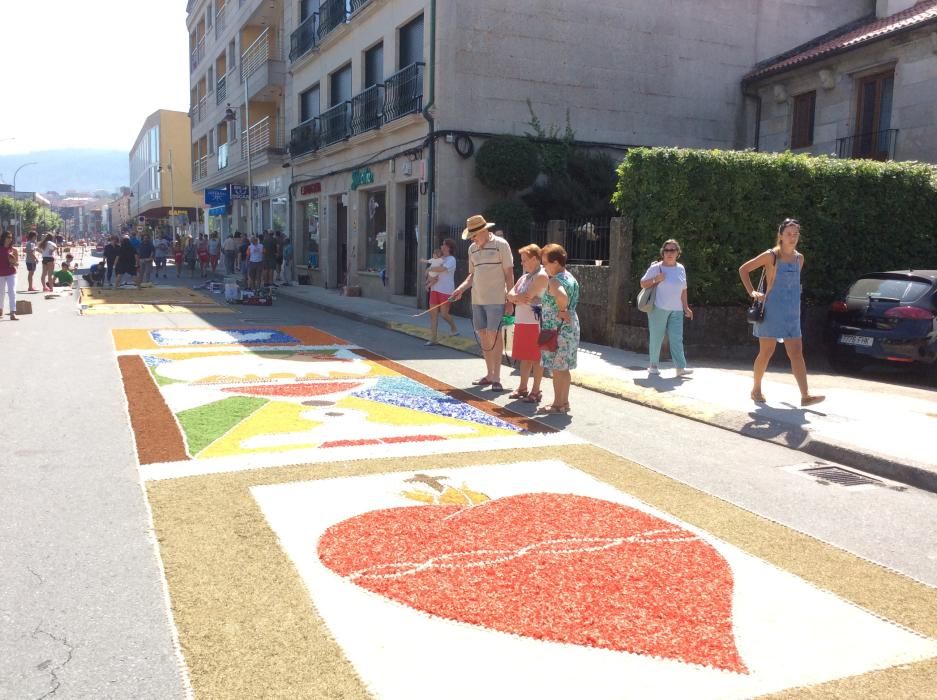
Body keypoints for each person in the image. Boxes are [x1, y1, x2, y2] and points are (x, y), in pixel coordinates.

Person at [739, 218, 824, 407]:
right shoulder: (771, 256)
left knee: (796, 352)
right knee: (766, 352)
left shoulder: (799, 258)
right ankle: (756, 388)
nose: (793, 237)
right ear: (781, 236)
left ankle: (805, 395)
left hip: (792, 312)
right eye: (789, 234)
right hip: (772, 310)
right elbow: (744, 269)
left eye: (796, 234)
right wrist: (752, 291)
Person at [449, 216, 515, 391]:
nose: (472, 239)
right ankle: (489, 374)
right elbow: (472, 275)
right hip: (477, 299)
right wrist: (460, 289)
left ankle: (497, 377)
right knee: (484, 336)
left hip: (496, 299)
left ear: (483, 231)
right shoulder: (472, 249)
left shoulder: (501, 244)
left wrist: (510, 298)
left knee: (495, 335)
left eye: (474, 235)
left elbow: (509, 273)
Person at [640, 239, 694, 377]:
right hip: (659, 308)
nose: (669, 253)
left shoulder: (681, 268)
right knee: (656, 337)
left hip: (676, 310)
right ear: (663, 253)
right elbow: (642, 284)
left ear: (678, 253)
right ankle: (653, 365)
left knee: (677, 338)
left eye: (672, 250)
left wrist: (686, 307)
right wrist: (655, 280)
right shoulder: (656, 268)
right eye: (667, 250)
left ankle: (680, 368)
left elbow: (684, 289)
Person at [539, 243, 580, 414]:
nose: (544, 267)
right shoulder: (570, 277)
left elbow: (561, 296)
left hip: (557, 329)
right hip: (570, 326)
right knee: (565, 368)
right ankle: (564, 402)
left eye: (545, 263)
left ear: (555, 262)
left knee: (557, 368)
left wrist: (561, 310)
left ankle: (557, 404)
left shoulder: (555, 281)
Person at [507, 243, 549, 403]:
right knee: (525, 356)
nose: (522, 263)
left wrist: (515, 297)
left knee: (536, 358)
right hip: (523, 321)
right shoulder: (525, 276)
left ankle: (536, 390)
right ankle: (523, 387)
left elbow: (527, 296)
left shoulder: (541, 276)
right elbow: (511, 293)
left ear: (534, 259)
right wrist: (515, 297)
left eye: (524, 260)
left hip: (535, 323)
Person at [423, 238, 459, 345]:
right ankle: (433, 338)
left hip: (446, 290)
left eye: (444, 245)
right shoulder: (439, 258)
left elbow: (442, 269)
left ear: (449, 247)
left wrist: (430, 269)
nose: (442, 246)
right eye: (442, 244)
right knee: (433, 314)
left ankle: (454, 328)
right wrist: (428, 277)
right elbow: (430, 271)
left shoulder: (451, 259)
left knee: (444, 314)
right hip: (435, 289)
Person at [0, 230, 19, 320]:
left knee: (12, 292)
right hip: (0, 273)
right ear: (3, 238)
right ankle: (0, 310)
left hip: (11, 273)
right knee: (1, 293)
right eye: (8, 237)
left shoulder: (14, 250)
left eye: (11, 238)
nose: (10, 239)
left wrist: (13, 261)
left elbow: (17, 263)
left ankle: (13, 312)